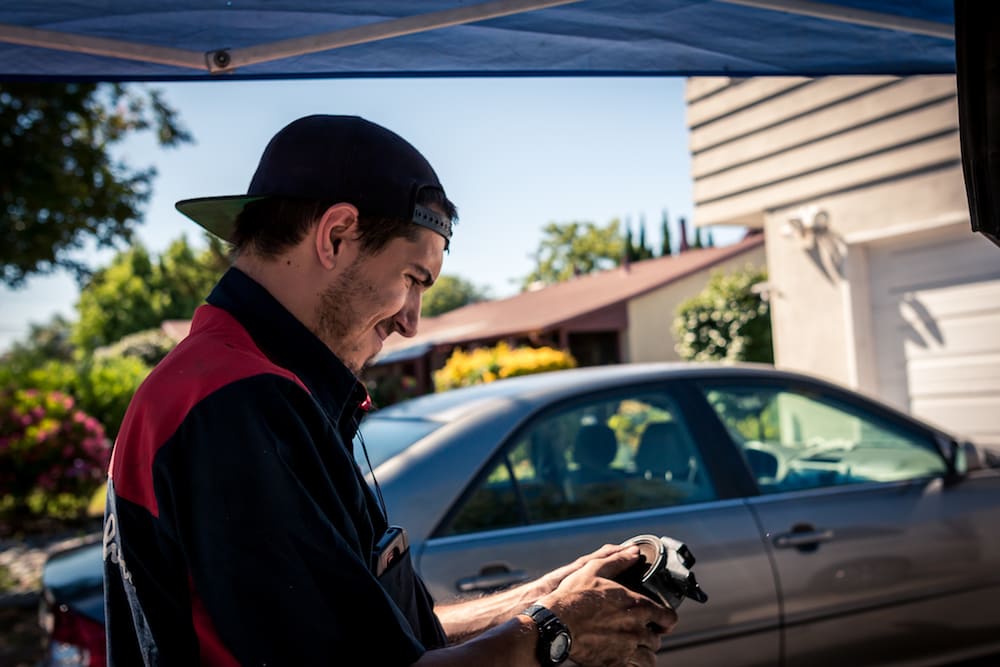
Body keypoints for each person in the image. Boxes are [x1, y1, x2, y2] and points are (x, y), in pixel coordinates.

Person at [103, 114, 677, 666]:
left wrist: (555, 596)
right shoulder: (234, 403)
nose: (411, 322)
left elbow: (382, 640)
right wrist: (557, 631)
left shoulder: (231, 382)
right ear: (336, 234)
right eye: (412, 279)